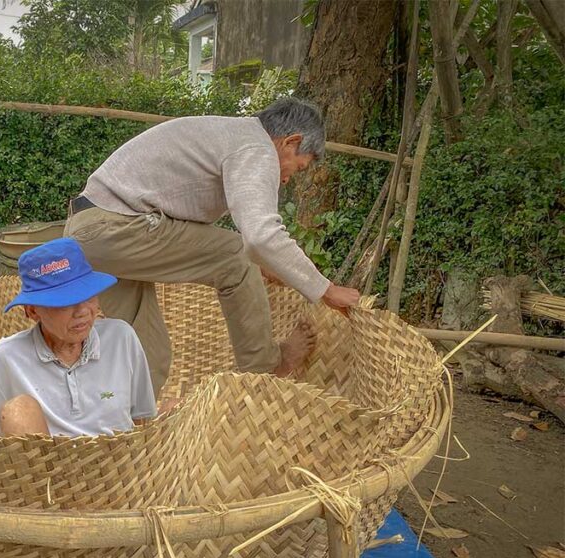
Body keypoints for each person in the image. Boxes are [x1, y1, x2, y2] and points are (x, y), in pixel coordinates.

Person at [63, 97, 360, 397]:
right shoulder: (256, 147)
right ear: (290, 142)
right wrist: (327, 290)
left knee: (149, 354)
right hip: (117, 226)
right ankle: (266, 368)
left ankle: (121, 426)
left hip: (89, 235)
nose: (285, 179)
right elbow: (259, 236)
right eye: (297, 168)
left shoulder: (230, 136)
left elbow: (194, 225)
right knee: (235, 258)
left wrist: (266, 263)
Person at [0, 238, 157, 438]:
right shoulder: (8, 357)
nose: (83, 312)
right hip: (49, 466)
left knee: (178, 409)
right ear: (33, 311)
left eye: (88, 296)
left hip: (117, 462)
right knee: (19, 410)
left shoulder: (121, 338)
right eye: (65, 303)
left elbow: (142, 419)